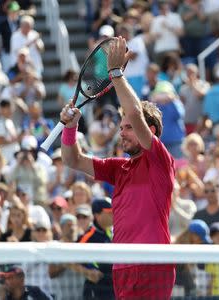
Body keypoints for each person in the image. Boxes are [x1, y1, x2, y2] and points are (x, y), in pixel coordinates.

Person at [60, 36, 175, 299]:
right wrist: (70, 127)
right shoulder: (118, 168)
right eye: (121, 128)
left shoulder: (159, 159)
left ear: (151, 131)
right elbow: (72, 160)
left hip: (154, 264)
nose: (121, 134)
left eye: (128, 129)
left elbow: (134, 112)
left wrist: (115, 75)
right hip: (121, 265)